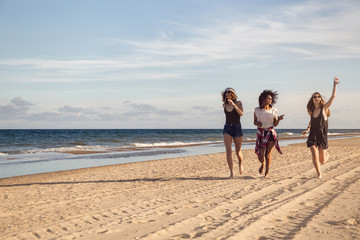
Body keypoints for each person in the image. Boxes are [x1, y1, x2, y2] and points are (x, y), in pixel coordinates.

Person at [301, 77, 340, 179]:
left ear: (320, 99)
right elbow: (311, 121)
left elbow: (333, 96)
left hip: (322, 136)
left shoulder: (324, 108)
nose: (316, 98)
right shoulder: (312, 111)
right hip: (313, 135)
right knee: (314, 154)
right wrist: (307, 129)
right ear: (312, 99)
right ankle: (319, 174)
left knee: (322, 161)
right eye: (314, 96)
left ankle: (327, 155)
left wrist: (335, 84)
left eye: (318, 96)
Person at [254, 90, 284, 177]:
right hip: (261, 132)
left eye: (271, 98)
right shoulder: (257, 110)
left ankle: (267, 172)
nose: (270, 100)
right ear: (263, 98)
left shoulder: (274, 110)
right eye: (268, 98)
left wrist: (278, 119)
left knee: (268, 154)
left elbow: (275, 124)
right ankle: (262, 164)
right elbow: (254, 121)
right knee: (260, 154)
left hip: (271, 132)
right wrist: (257, 123)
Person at [222, 87, 244, 178]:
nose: (227, 93)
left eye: (229, 92)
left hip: (237, 127)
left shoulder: (238, 103)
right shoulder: (224, 105)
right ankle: (231, 172)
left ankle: (240, 163)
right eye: (226, 92)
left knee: (238, 152)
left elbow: (241, 113)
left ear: (233, 93)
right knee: (228, 151)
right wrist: (229, 103)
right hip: (227, 127)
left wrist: (234, 105)